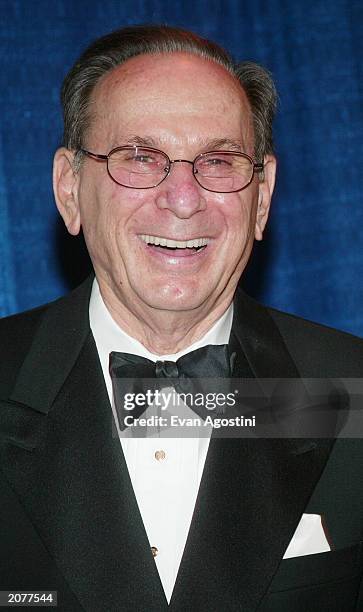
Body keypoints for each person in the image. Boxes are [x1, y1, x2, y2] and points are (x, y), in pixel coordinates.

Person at [0, 24, 362, 612]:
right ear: (69, 189)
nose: (184, 197)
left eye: (218, 161)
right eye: (141, 158)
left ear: (262, 197)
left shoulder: (354, 392)